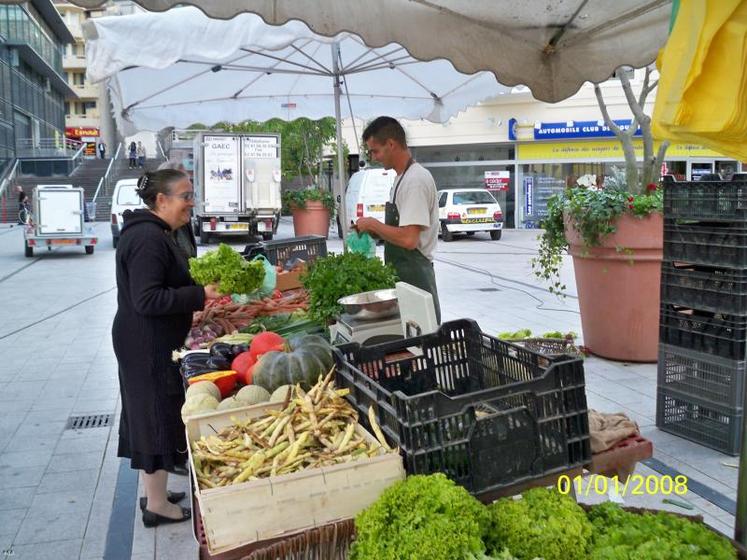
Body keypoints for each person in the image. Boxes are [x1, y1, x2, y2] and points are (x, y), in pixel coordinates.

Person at [112, 169, 220, 527]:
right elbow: (147, 298)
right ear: (161, 200)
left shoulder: (154, 232)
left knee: (148, 415)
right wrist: (200, 295)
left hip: (145, 339)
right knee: (153, 418)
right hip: (146, 343)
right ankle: (157, 506)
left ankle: (154, 493)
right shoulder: (147, 238)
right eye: (185, 196)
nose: (191, 202)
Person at [355, 116, 442, 323]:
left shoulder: (415, 181)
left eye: (375, 151)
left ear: (391, 144)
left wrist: (374, 224)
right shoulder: (400, 178)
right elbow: (401, 230)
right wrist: (373, 230)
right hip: (405, 279)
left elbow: (409, 240)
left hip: (417, 280)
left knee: (423, 343)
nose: (374, 157)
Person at [157, 159, 197, 260]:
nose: (193, 204)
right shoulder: (147, 238)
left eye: (191, 195)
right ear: (163, 199)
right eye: (186, 196)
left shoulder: (182, 223)